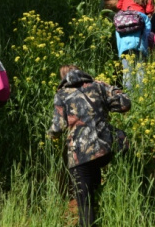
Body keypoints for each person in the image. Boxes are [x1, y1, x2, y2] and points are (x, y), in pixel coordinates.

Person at [48, 65, 131, 227]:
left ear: (63, 78)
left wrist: (50, 135)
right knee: (95, 189)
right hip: (105, 150)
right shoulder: (98, 86)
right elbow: (125, 104)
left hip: (80, 156)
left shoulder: (61, 94)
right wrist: (107, 86)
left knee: (85, 205)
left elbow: (58, 128)